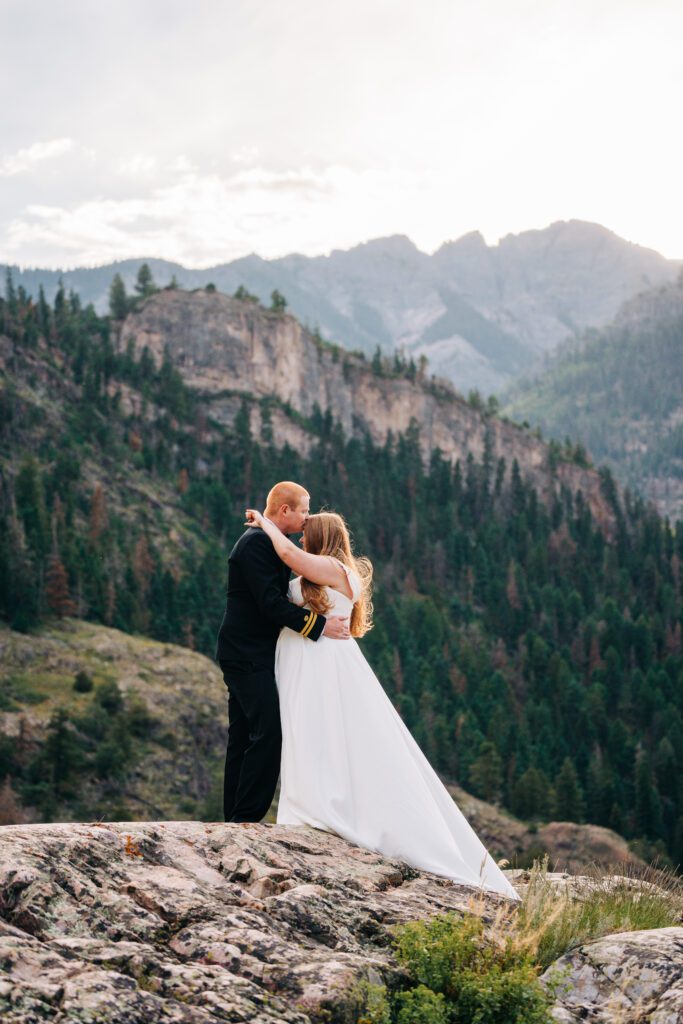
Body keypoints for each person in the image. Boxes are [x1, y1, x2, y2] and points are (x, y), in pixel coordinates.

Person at [244, 506, 519, 901]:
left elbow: (288, 556)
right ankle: (313, 802)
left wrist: (266, 523)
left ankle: (324, 807)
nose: (301, 537)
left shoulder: (335, 571)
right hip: (307, 662)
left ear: (321, 538)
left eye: (307, 532)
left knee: (323, 728)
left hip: (323, 664)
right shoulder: (326, 572)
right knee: (309, 730)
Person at [215, 481, 350, 823]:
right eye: (304, 509)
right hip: (246, 651)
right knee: (268, 732)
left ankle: (236, 816)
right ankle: (245, 817)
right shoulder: (257, 544)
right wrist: (320, 627)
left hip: (247, 650)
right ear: (286, 510)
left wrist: (264, 522)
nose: (307, 518)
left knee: (244, 733)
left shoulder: (266, 539)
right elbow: (271, 604)